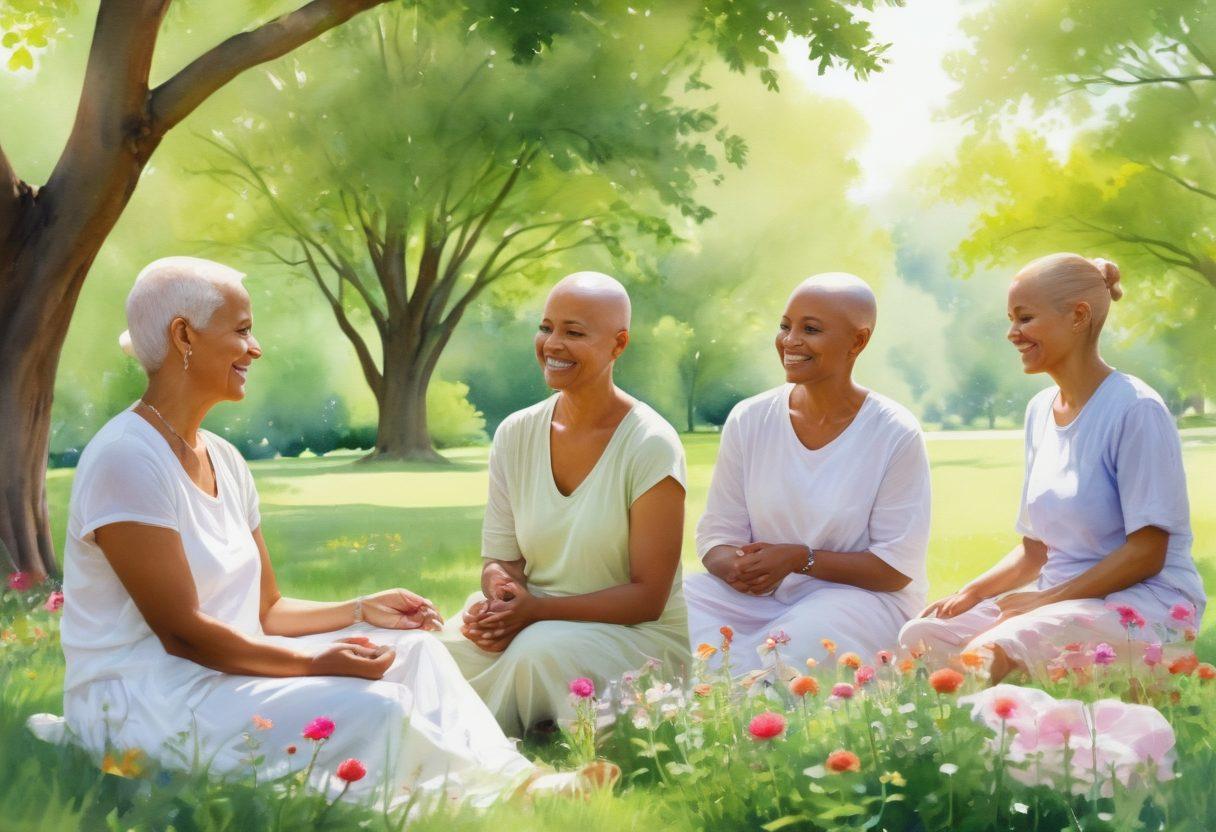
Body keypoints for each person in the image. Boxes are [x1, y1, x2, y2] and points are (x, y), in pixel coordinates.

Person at [51, 256, 598, 807]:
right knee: (374, 704)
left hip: (223, 672)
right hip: (147, 702)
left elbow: (267, 612)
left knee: (415, 652)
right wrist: (315, 663)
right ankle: (497, 797)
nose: (256, 348)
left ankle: (516, 781)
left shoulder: (224, 458)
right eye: (242, 331)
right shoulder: (127, 458)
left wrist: (361, 610)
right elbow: (183, 635)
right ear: (183, 335)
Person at [900, 254, 1205, 682]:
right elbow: (1035, 550)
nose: (1012, 334)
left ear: (1078, 316)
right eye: (1011, 319)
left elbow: (1147, 553)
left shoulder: (1136, 410)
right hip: (1061, 598)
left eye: (1024, 318)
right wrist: (971, 593)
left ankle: (1004, 736)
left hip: (1142, 602)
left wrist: (1043, 603)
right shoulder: (1040, 410)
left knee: (990, 652)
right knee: (924, 634)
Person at [440, 271, 690, 736]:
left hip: (635, 636)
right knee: (439, 649)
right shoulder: (516, 432)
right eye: (546, 327)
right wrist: (500, 599)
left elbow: (649, 598)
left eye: (573, 333)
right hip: (536, 614)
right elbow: (502, 559)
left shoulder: (651, 444)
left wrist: (533, 612)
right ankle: (500, 728)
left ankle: (516, 738)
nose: (552, 344)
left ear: (618, 345)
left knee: (536, 655)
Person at [684, 273, 931, 674]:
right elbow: (717, 533)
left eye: (810, 329)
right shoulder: (749, 418)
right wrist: (732, 565)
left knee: (793, 648)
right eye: (785, 326)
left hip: (856, 600)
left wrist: (801, 559)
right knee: (668, 608)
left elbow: (895, 569)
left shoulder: (894, 432)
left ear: (858, 341)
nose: (790, 341)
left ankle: (740, 704)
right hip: (757, 596)